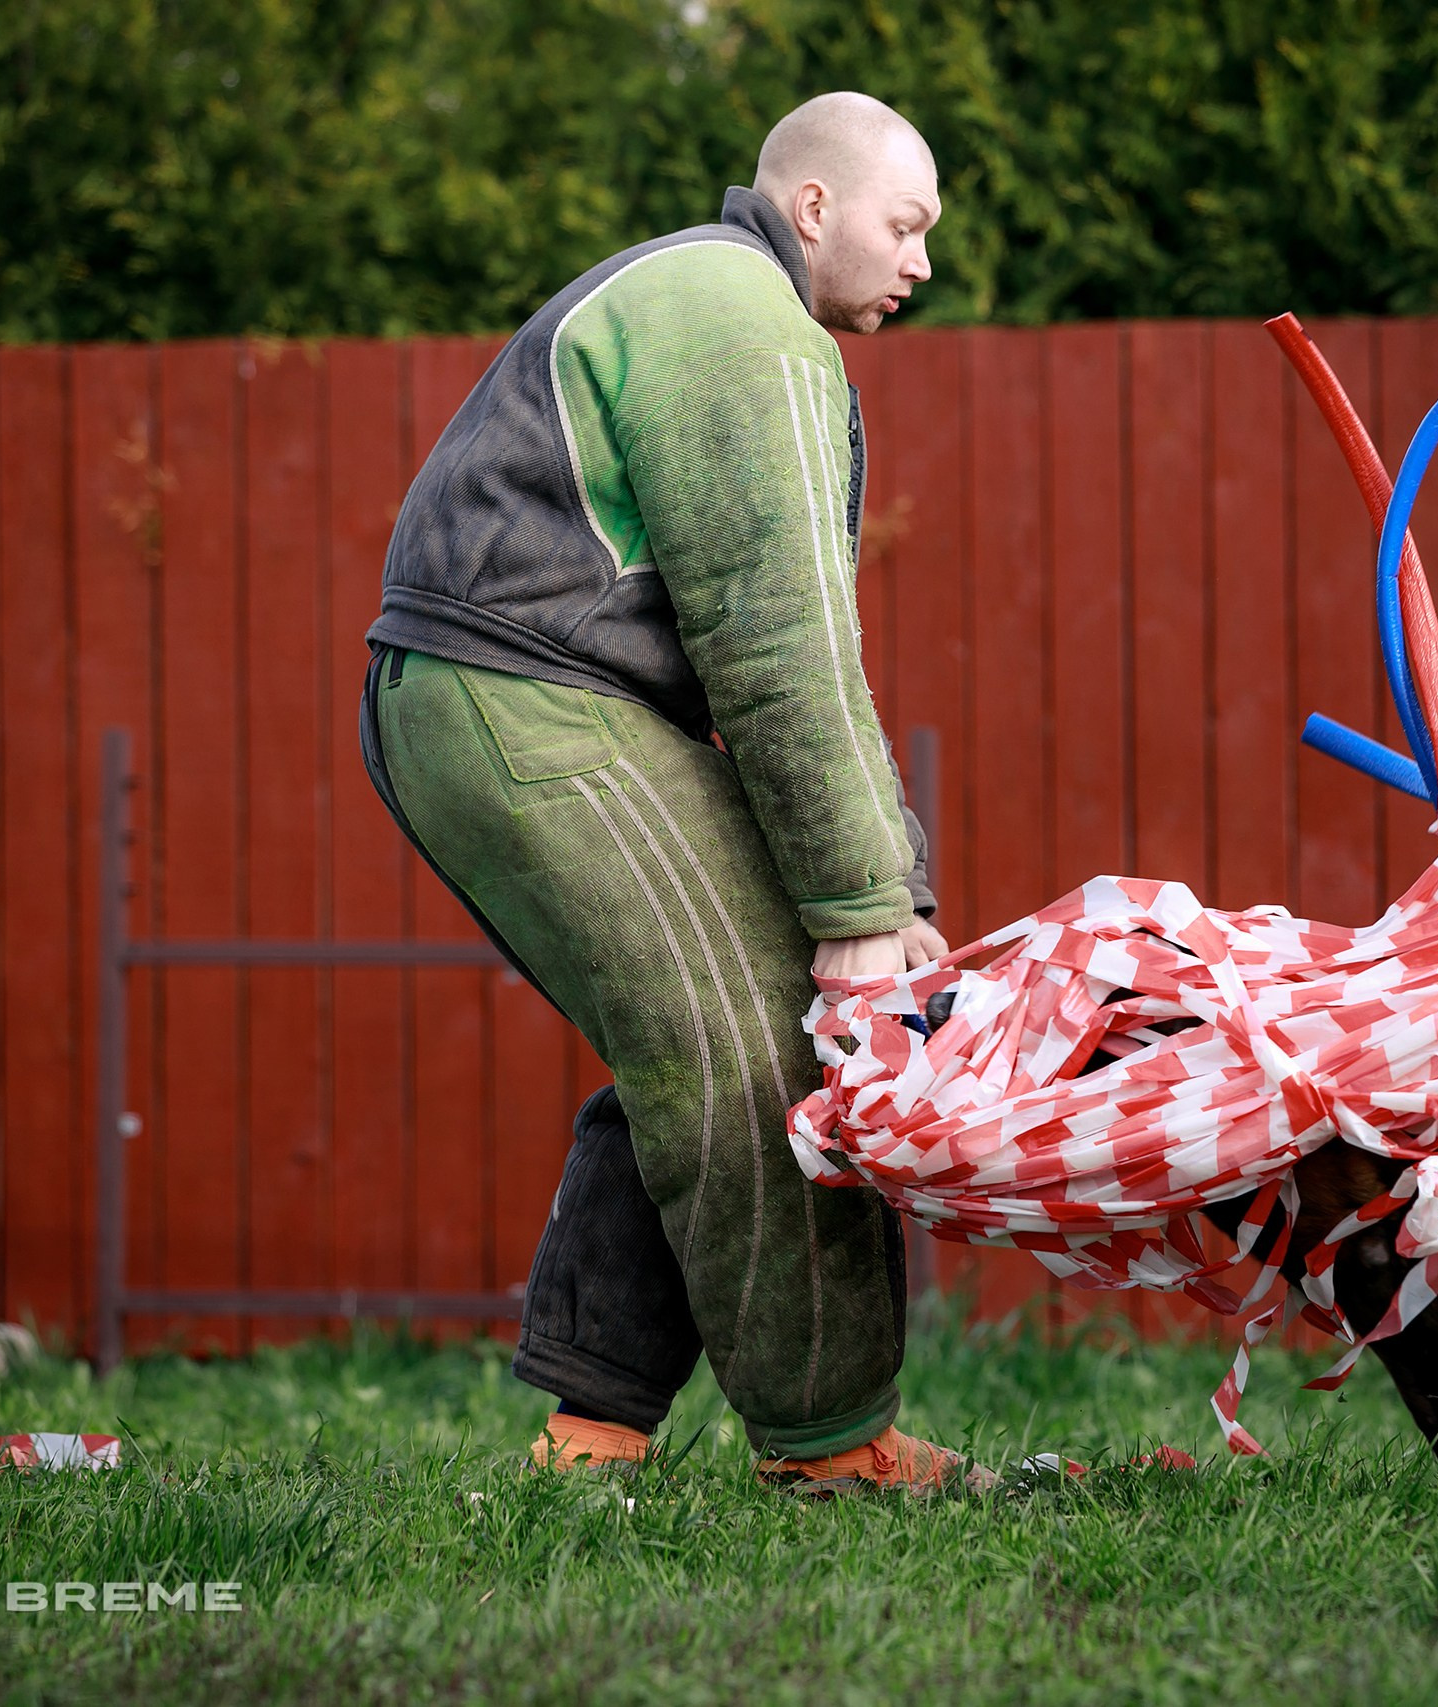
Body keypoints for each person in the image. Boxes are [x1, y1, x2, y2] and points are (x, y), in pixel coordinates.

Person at [357, 92, 989, 1493]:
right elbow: (778, 643)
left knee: (688, 1033)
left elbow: (759, 653)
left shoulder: (711, 299)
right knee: (765, 1041)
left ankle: (590, 1440)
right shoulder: (740, 322)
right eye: (908, 224)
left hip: (485, 696)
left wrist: (892, 891)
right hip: (520, 699)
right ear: (812, 206)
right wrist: (859, 903)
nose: (925, 263)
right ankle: (835, 1448)